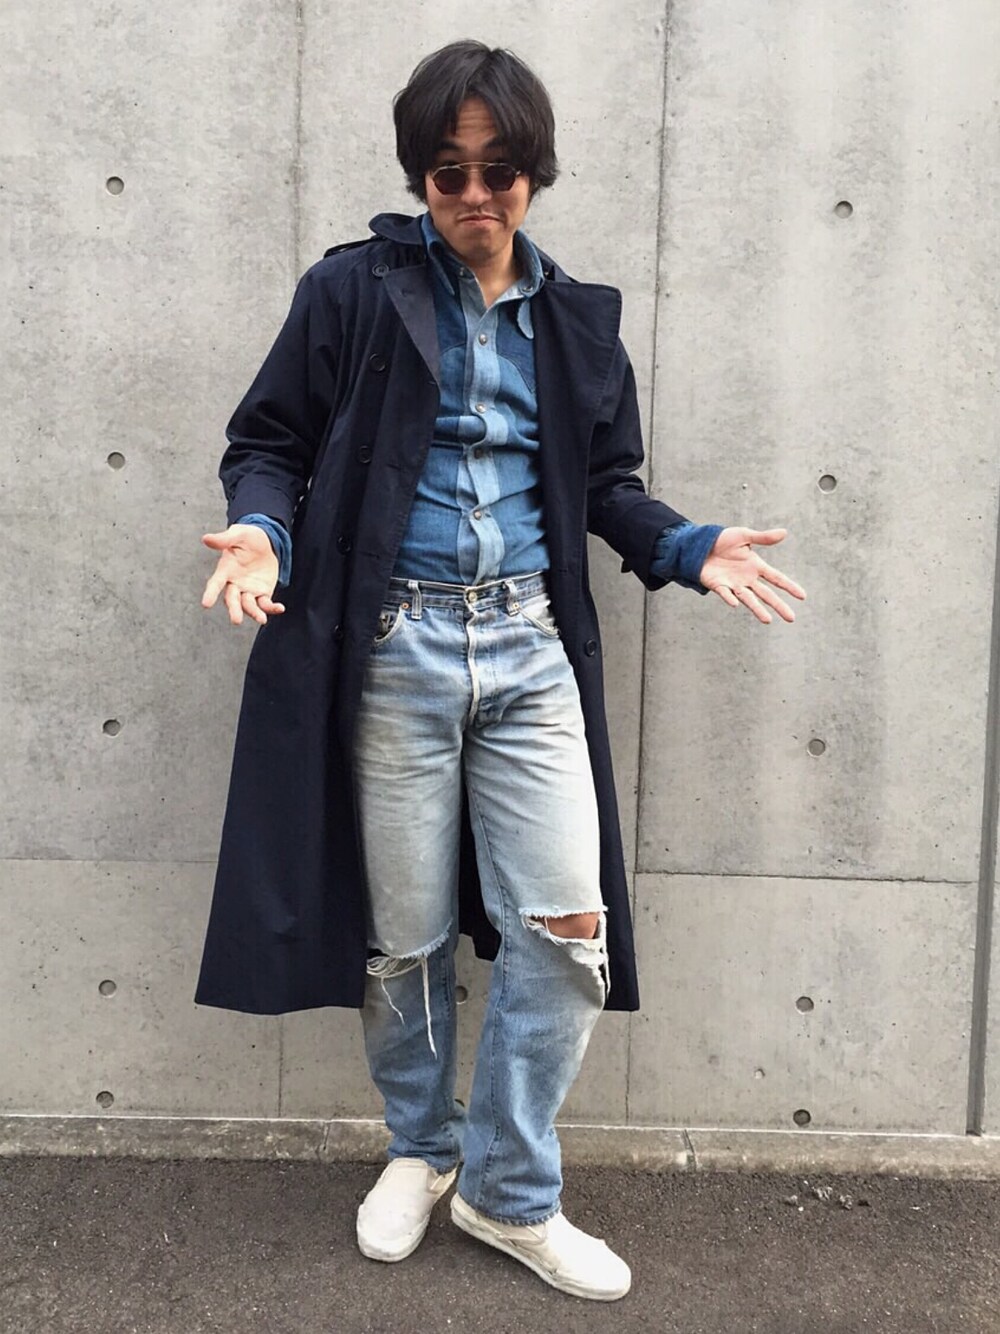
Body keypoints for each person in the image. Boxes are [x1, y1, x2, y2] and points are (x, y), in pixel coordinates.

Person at [195, 40, 805, 1302]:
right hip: (394, 648)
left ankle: (508, 1187)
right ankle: (422, 1146)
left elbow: (608, 485)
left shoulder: (576, 321)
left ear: (535, 173)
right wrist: (261, 528)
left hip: (529, 650)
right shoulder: (353, 292)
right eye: (448, 172)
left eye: (499, 171)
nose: (474, 195)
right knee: (404, 938)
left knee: (567, 927)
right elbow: (270, 442)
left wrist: (684, 545)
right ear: (420, 176)